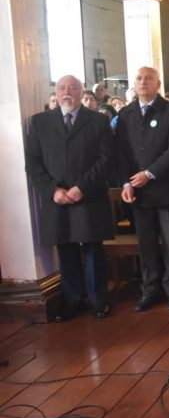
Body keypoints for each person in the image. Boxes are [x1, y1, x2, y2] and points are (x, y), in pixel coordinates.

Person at [25, 75, 114, 321]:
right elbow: (33, 163)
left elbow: (106, 159)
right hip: (57, 198)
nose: (67, 92)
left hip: (88, 195)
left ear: (81, 92)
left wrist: (81, 187)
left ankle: (98, 300)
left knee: (93, 249)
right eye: (62, 88)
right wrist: (53, 189)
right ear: (55, 92)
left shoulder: (97, 121)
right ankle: (72, 300)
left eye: (72, 88)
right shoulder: (40, 122)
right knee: (66, 249)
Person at [116, 66, 169, 311]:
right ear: (133, 84)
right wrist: (126, 182)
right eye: (139, 78)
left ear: (158, 83)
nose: (143, 82)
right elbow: (121, 153)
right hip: (138, 191)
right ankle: (150, 290)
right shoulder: (125, 115)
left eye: (148, 78)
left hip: (164, 188)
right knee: (146, 244)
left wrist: (149, 173)